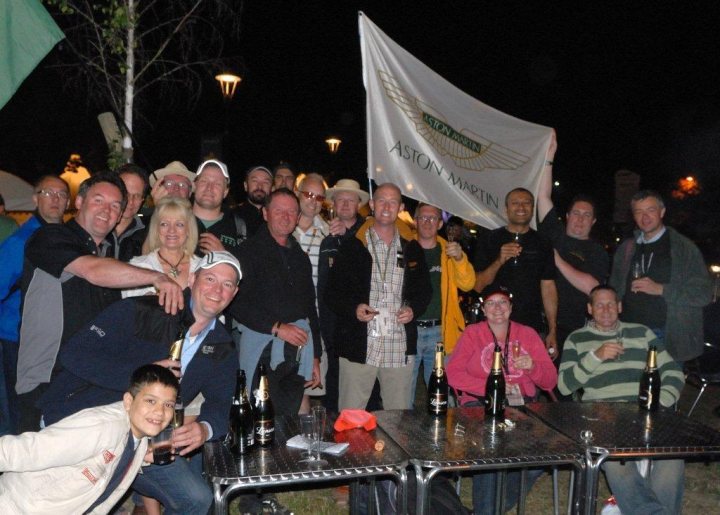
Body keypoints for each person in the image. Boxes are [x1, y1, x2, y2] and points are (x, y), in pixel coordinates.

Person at [38, 251, 241, 515]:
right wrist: (142, 374)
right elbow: (74, 354)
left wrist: (206, 428)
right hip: (83, 419)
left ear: (234, 293)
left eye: (227, 284)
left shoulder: (221, 344)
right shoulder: (142, 310)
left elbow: (223, 401)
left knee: (196, 499)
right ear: (192, 279)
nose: (217, 290)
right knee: (76, 503)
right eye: (210, 279)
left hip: (140, 439)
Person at [17, 171, 184, 433]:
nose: (107, 210)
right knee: (33, 465)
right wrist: (158, 278)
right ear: (80, 202)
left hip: (92, 380)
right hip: (46, 380)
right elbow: (93, 271)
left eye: (115, 205)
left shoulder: (110, 251)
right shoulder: (50, 237)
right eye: (98, 200)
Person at [558, 285, 685, 514]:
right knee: (618, 464)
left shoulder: (641, 333)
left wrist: (660, 402)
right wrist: (595, 356)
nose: (606, 310)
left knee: (672, 460)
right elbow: (564, 385)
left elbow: (673, 371)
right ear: (589, 309)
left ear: (619, 307)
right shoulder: (577, 339)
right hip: (603, 415)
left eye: (610, 304)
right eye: (599, 304)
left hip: (645, 412)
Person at [0, 364, 178, 514]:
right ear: (129, 401)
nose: (160, 412)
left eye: (168, 405)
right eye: (150, 401)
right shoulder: (102, 427)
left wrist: (140, 458)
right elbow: (23, 451)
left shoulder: (139, 439)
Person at [447, 286, 557, 515]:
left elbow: (550, 382)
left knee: (543, 454)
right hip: (480, 404)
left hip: (522, 405)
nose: (497, 308)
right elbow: (453, 374)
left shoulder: (527, 334)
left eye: (503, 303)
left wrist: (533, 367)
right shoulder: (472, 334)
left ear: (511, 308)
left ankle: (487, 510)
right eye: (491, 303)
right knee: (491, 445)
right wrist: (490, 387)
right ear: (483, 310)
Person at [326, 182, 432, 411]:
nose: (387, 206)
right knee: (351, 419)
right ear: (372, 205)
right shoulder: (353, 245)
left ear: (401, 207)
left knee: (399, 421)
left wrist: (413, 309)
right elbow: (332, 293)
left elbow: (425, 291)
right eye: (381, 200)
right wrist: (354, 308)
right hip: (359, 344)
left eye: (393, 201)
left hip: (398, 344)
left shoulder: (412, 248)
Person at [228, 188, 321, 415]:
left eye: (292, 212)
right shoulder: (247, 252)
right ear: (265, 213)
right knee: (263, 416)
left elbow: (310, 307)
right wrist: (277, 327)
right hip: (263, 348)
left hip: (298, 347)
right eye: (279, 210)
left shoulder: (300, 257)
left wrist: (316, 355)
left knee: (295, 413)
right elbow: (235, 303)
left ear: (298, 217)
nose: (286, 216)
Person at [0, 176, 69, 435]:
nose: (55, 199)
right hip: (16, 338)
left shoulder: (68, 238)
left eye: (61, 194)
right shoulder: (19, 242)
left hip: (52, 339)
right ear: (35, 198)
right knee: (20, 410)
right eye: (48, 193)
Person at [609, 189, 712, 364]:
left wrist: (661, 289)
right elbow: (614, 286)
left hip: (666, 336)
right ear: (633, 216)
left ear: (662, 212)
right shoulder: (627, 248)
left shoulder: (683, 248)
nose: (645, 217)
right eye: (639, 212)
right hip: (628, 333)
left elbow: (703, 294)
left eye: (651, 210)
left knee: (662, 390)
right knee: (628, 389)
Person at [537, 134, 609, 361]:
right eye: (576, 213)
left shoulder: (597, 251)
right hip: (542, 322)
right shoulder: (555, 233)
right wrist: (549, 157)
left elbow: (592, 287)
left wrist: (556, 259)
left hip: (576, 329)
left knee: (568, 386)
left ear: (593, 221)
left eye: (586, 215)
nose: (580, 219)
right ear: (567, 216)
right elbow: (542, 196)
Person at [473, 187, 559, 358]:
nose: (521, 207)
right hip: (494, 326)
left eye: (526, 203)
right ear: (506, 210)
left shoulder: (543, 242)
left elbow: (548, 286)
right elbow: (477, 285)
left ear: (532, 209)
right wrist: (499, 260)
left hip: (531, 326)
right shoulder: (489, 239)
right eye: (515, 203)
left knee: (528, 379)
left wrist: (552, 330)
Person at [410, 203, 475, 408]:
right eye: (423, 218)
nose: (427, 222)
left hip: (440, 332)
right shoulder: (404, 248)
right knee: (402, 395)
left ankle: (438, 438)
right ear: (415, 221)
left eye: (433, 218)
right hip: (408, 332)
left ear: (440, 224)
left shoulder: (448, 252)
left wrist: (459, 258)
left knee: (440, 396)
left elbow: (468, 283)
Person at [318, 178, 369, 412]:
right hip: (332, 319)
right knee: (333, 384)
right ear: (334, 204)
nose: (346, 204)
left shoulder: (369, 233)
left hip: (359, 322)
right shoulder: (327, 239)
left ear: (359, 204)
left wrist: (348, 235)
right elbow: (324, 285)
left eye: (351, 199)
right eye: (341, 200)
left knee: (361, 388)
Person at [293, 173, 330, 413]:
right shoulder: (280, 227)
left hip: (316, 323)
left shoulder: (328, 235)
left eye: (319, 197)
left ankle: (304, 443)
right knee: (286, 387)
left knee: (309, 385)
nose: (313, 201)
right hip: (285, 320)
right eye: (308, 194)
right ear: (298, 193)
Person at [123, 197, 201, 296]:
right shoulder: (138, 266)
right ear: (156, 228)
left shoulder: (203, 268)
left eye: (179, 224)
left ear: (189, 229)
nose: (171, 230)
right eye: (164, 224)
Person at [193, 159, 246, 258]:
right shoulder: (175, 220)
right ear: (195, 185)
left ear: (225, 192)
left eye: (217, 184)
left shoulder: (239, 228)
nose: (209, 187)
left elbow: (248, 270)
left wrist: (223, 256)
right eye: (204, 181)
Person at [112, 163, 150, 262]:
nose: (130, 201)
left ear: (142, 199)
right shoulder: (95, 228)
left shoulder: (148, 232)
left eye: (137, 196)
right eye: (125, 194)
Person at [235, 165, 273, 237]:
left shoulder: (276, 218)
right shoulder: (232, 216)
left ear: (272, 188)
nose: (260, 186)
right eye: (255, 181)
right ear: (245, 186)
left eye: (266, 182)